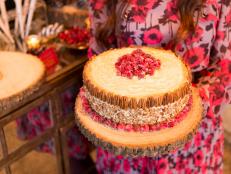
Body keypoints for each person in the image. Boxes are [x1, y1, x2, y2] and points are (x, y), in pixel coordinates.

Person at [88, 0, 231, 173]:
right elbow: (99, 59)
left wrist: (182, 107)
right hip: (128, 133)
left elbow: (225, 68)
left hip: (193, 141)